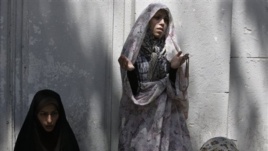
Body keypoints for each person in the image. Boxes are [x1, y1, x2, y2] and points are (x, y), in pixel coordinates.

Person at [118, 3, 192, 151]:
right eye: (157, 18)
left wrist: (173, 68)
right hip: (142, 125)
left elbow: (174, 92)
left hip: (168, 122)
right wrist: (131, 71)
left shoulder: (170, 51)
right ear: (147, 21)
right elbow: (136, 94)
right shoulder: (134, 51)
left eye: (165, 19)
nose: (162, 23)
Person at [14, 89, 80, 151]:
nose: (49, 120)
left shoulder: (67, 142)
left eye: (54, 114)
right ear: (35, 115)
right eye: (43, 114)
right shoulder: (25, 143)